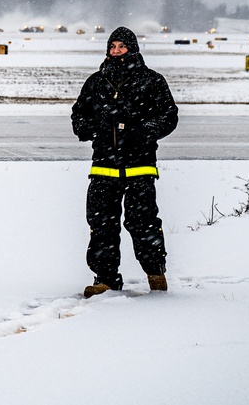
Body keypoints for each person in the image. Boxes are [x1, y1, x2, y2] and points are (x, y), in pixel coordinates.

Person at [71, 26, 179, 297]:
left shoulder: (152, 81)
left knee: (143, 223)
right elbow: (78, 116)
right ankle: (105, 279)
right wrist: (93, 131)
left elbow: (169, 116)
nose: (117, 51)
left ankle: (156, 275)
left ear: (132, 48)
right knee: (101, 225)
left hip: (139, 167)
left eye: (122, 46)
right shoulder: (96, 82)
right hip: (103, 167)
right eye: (113, 46)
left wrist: (142, 132)